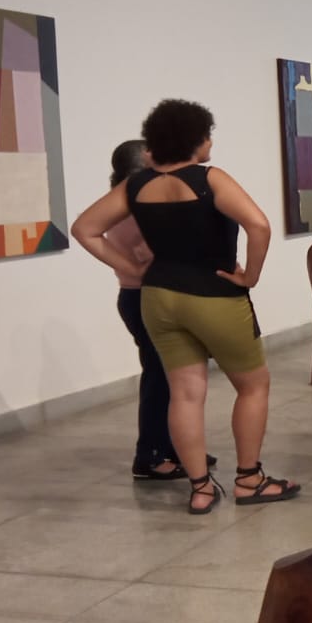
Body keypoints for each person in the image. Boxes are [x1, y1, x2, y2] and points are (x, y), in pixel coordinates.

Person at [71, 100, 299, 513]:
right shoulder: (210, 179)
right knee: (253, 385)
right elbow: (259, 225)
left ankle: (200, 489)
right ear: (194, 140)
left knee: (185, 393)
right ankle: (249, 480)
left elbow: (84, 229)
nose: (210, 142)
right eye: (207, 135)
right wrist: (250, 277)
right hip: (214, 295)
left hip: (159, 297)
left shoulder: (135, 186)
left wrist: (133, 270)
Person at [103, 139, 195, 482]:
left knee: (169, 377)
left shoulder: (124, 203)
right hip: (144, 298)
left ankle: (173, 447)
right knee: (160, 377)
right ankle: (151, 455)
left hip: (142, 296)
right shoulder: (133, 208)